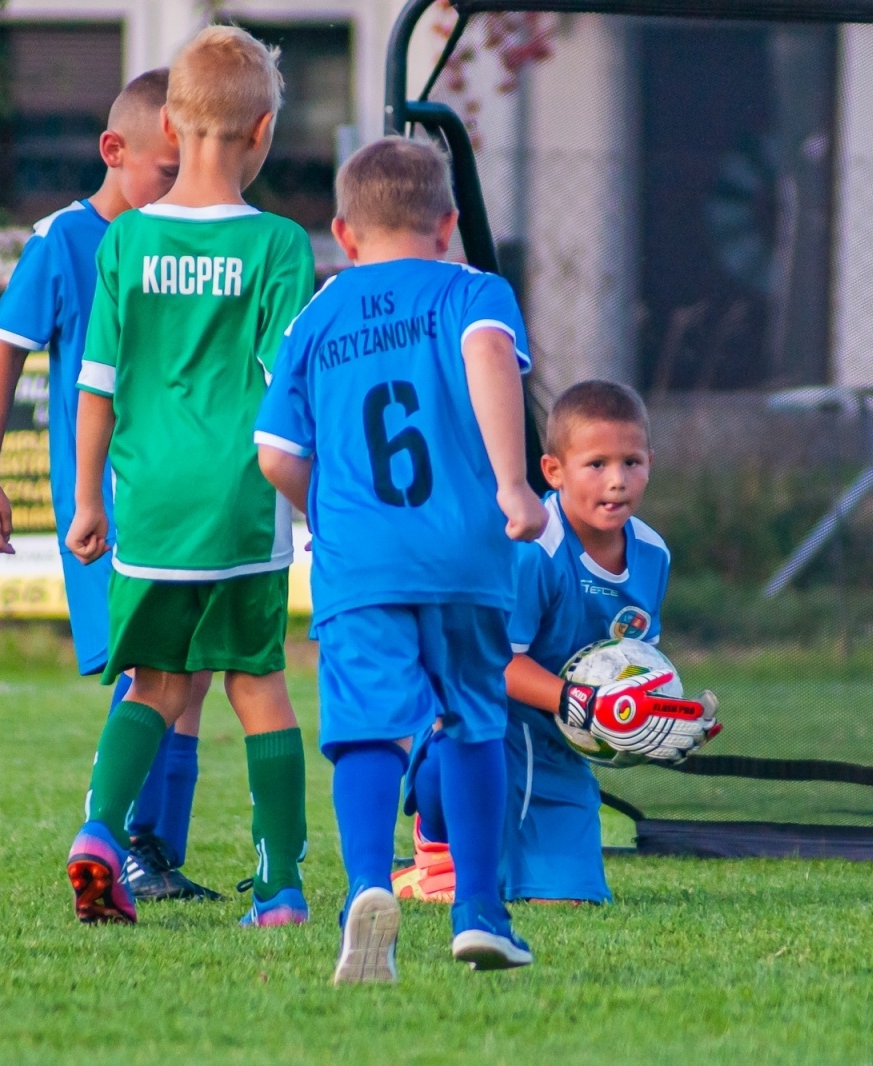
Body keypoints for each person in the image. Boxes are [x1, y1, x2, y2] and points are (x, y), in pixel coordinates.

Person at [255, 136, 547, 983]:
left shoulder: (318, 315)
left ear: (343, 235)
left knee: (367, 727)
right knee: (474, 718)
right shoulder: (473, 291)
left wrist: (331, 510)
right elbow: (490, 355)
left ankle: (368, 890)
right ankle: (482, 913)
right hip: (463, 553)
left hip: (360, 560)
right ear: (449, 225)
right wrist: (513, 487)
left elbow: (274, 452)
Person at [62, 25, 315, 928]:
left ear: (168, 125)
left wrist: (90, 497)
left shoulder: (123, 244)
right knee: (257, 684)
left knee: (155, 682)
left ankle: (99, 835)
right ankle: (280, 886)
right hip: (241, 498)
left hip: (153, 498)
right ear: (263, 134)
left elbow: (95, 387)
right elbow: (289, 388)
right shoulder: (281, 246)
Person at [0, 69, 218, 902]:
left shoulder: (187, 246)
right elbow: (3, 350)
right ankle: (108, 838)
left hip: (181, 499)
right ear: (115, 152)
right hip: (105, 507)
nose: (177, 192)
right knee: (148, 665)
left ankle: (154, 848)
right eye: (165, 173)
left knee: (192, 668)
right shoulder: (63, 242)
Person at [394, 380, 715, 906]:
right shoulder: (532, 549)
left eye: (632, 462)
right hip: (488, 726)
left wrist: (667, 716)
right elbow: (492, 662)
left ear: (651, 463)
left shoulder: (653, 554)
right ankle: (437, 848)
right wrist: (579, 701)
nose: (617, 481)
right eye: (597, 465)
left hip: (560, 745)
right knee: (448, 744)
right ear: (553, 471)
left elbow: (634, 663)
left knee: (568, 901)